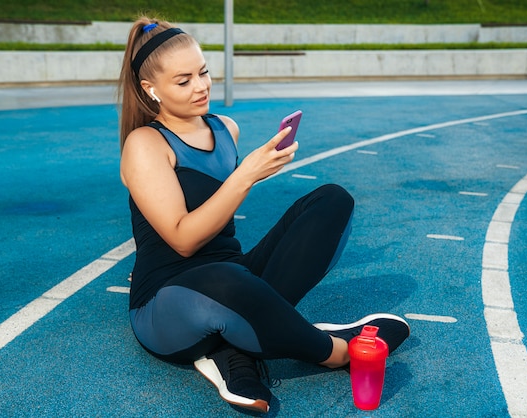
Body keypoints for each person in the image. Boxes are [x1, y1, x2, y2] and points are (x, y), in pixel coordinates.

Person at [118, 17, 410, 414]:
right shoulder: (145, 143)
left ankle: (232, 349)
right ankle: (336, 351)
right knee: (225, 280)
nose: (201, 86)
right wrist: (246, 175)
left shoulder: (225, 129)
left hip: (233, 275)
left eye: (203, 72)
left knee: (331, 201)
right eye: (183, 81)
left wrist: (249, 172)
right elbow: (183, 240)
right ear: (151, 89)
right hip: (166, 303)